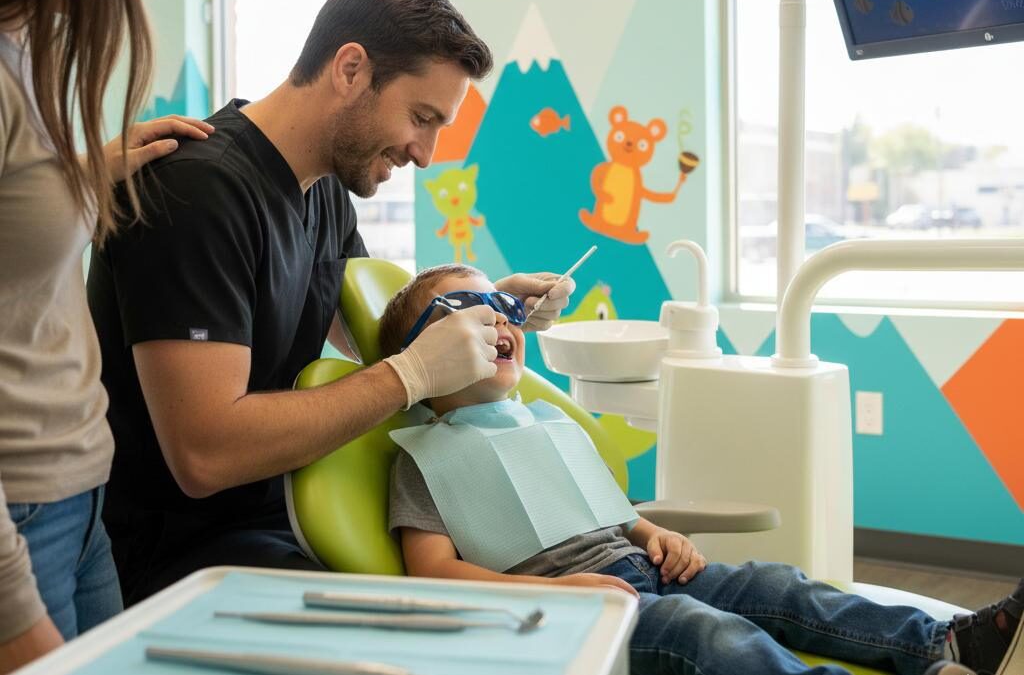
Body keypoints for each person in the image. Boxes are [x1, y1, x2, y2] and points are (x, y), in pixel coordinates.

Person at [87, 0, 576, 605]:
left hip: (277, 520)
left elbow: (382, 335)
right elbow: (204, 453)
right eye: (421, 118)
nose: (425, 154)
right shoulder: (196, 194)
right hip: (178, 559)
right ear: (350, 70)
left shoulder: (322, 193)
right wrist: (411, 376)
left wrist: (485, 308)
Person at [381, 264, 1024, 675]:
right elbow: (436, 573)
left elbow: (601, 506)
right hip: (573, 615)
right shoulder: (425, 458)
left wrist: (649, 534)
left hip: (644, 570)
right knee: (706, 634)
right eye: (466, 311)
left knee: (779, 587)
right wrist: (562, 595)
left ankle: (946, 643)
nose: (497, 318)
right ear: (425, 355)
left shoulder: (542, 420)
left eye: (501, 305)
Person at [0, 0, 215, 673]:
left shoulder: (31, 55)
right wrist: (14, 614)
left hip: (81, 492)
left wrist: (91, 162)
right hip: (16, 528)